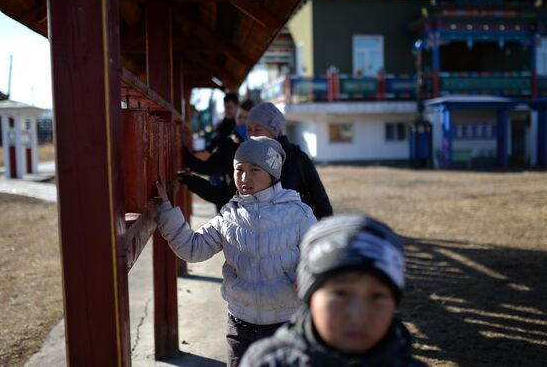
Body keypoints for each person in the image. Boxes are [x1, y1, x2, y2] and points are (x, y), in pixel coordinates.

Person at [155, 136, 317, 367]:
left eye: (255, 169)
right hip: (240, 325)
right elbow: (193, 249)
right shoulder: (229, 215)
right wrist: (165, 210)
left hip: (286, 323)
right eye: (239, 169)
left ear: (272, 173)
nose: (245, 177)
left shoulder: (299, 213)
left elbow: (318, 258)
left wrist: (308, 275)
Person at [240, 214, 427, 367]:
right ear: (308, 296)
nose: (358, 315)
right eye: (341, 294)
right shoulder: (267, 362)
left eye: (377, 296)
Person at [245, 102, 333, 219]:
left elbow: (322, 204)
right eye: (249, 129)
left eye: (258, 129)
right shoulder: (246, 160)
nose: (251, 135)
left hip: (298, 232)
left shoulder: (298, 158)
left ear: (274, 131)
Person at [179, 99, 255, 208]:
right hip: (233, 203)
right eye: (240, 117)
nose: (243, 122)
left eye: (246, 118)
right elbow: (206, 167)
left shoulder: (266, 148)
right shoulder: (229, 145)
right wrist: (183, 153)